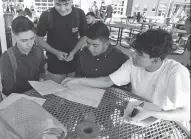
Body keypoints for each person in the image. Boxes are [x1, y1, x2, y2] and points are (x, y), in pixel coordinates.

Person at [62, 29, 190, 123]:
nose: (132, 55)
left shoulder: (176, 72)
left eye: (139, 54)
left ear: (156, 60)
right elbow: (107, 81)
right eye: (134, 50)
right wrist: (77, 80)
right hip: (135, 115)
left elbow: (186, 113)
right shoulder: (132, 64)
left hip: (163, 122)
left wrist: (151, 113)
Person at [36, 0, 88, 84]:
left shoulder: (79, 14)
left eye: (66, 4)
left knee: (73, 93)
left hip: (74, 63)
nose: (63, 9)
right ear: (53, 0)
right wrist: (56, 52)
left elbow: (84, 36)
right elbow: (38, 39)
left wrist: (73, 52)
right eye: (58, 4)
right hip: (54, 65)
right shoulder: (46, 15)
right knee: (55, 93)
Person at [0, 16, 47, 96]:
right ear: (14, 37)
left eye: (32, 38)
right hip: (17, 99)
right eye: (24, 41)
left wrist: (42, 79)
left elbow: (41, 71)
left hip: (37, 95)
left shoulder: (39, 50)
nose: (29, 44)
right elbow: (8, 89)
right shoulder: (7, 57)